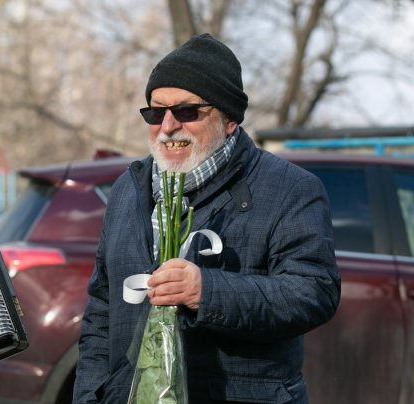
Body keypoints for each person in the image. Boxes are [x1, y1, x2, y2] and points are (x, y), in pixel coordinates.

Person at [73, 33, 340, 403]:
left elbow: (314, 292)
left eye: (186, 111)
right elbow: (101, 309)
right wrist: (91, 397)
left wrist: (207, 291)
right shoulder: (128, 189)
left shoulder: (289, 188)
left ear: (229, 119)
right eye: (155, 111)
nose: (167, 126)